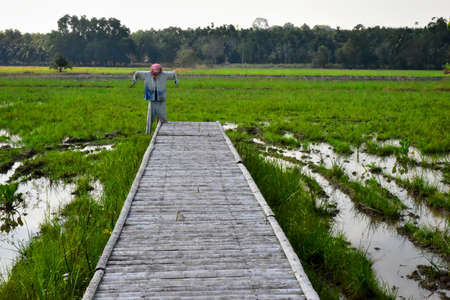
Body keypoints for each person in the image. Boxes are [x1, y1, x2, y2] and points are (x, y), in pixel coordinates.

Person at [130, 64, 178, 134]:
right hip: (152, 99)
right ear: (152, 70)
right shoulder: (147, 74)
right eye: (154, 71)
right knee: (150, 117)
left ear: (160, 70)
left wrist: (175, 80)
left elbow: (173, 74)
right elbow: (137, 73)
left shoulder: (164, 75)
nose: (156, 73)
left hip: (161, 99)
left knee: (163, 117)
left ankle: (164, 132)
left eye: (157, 71)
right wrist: (134, 79)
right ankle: (148, 132)